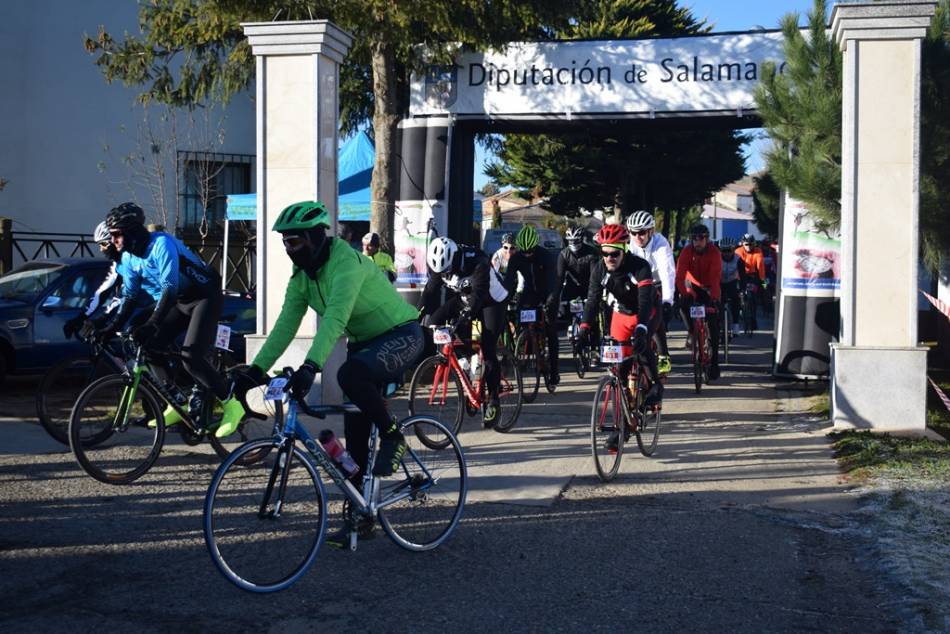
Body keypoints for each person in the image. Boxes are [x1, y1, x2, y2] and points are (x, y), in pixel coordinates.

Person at [233, 201, 422, 544]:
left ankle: (394, 435)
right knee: (354, 440)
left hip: (401, 334)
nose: (289, 250)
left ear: (315, 237)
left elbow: (335, 317)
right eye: (285, 243)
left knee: (349, 375)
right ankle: (362, 517)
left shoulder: (345, 263)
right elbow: (284, 327)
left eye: (294, 242)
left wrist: (311, 366)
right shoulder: (302, 278)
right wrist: (256, 369)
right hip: (365, 343)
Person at [94, 203, 246, 432]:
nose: (113, 241)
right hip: (182, 301)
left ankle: (232, 404)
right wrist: (109, 327)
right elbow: (130, 296)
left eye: (116, 235)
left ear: (132, 232)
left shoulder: (161, 244)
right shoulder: (129, 257)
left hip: (205, 296)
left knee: (191, 356)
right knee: (149, 346)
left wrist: (152, 323)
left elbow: (169, 288)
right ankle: (177, 402)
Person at [578, 223, 662, 449]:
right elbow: (593, 299)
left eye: (614, 253)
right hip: (621, 315)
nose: (609, 258)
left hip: (646, 311)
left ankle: (655, 385)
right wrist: (584, 327)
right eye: (604, 253)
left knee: (640, 347)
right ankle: (622, 427)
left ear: (624, 250)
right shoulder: (599, 269)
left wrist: (643, 329)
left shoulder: (640, 266)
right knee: (619, 371)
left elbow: (645, 301)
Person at [419, 236, 510, 427]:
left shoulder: (477, 261)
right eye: (441, 272)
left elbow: (479, 295)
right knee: (436, 320)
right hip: (465, 298)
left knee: (488, 347)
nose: (444, 274)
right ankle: (467, 364)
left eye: (447, 270)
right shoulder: (438, 266)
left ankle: (494, 400)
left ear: (454, 258)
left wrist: (465, 317)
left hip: (491, 300)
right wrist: (416, 313)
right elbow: (429, 291)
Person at [504, 224, 560, 387]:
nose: (527, 255)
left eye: (530, 251)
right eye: (524, 252)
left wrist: (550, 301)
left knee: (551, 330)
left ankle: (554, 372)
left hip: (547, 291)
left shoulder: (546, 256)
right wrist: (505, 299)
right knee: (520, 316)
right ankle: (526, 341)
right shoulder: (516, 258)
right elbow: (509, 281)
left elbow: (554, 282)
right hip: (529, 292)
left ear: (535, 246)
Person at [626, 210, 675, 375]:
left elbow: (667, 271)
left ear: (651, 231)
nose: (637, 237)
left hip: (658, 282)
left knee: (656, 315)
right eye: (633, 232)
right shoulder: (629, 244)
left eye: (641, 233)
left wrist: (668, 301)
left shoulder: (661, 243)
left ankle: (663, 354)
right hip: (637, 283)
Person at [675, 223, 723, 380]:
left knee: (714, 322)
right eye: (694, 238)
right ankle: (691, 332)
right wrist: (684, 294)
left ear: (707, 239)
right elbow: (680, 276)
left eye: (701, 238)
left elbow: (715, 277)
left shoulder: (714, 252)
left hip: (709, 288)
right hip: (692, 287)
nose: (697, 241)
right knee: (683, 305)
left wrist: (714, 299)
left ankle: (714, 360)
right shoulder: (687, 252)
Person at [736, 233, 766, 329]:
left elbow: (760, 267)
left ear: (754, 244)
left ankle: (753, 319)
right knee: (738, 293)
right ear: (742, 244)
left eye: (751, 244)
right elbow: (735, 266)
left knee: (753, 297)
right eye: (746, 244)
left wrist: (763, 281)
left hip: (752, 276)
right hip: (740, 275)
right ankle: (740, 308)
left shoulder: (758, 251)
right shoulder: (738, 251)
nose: (748, 246)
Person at [718, 237, 744, 337]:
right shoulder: (717, 258)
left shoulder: (738, 259)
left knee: (735, 300)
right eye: (723, 250)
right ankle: (718, 323)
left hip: (732, 282)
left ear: (733, 250)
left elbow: (743, 275)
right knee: (716, 301)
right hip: (719, 282)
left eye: (729, 250)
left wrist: (742, 288)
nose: (726, 253)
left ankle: (736, 325)